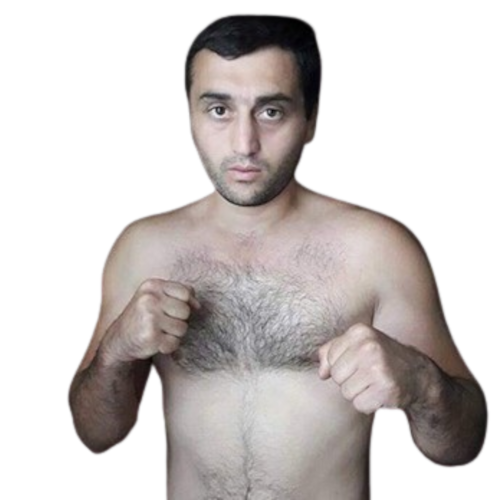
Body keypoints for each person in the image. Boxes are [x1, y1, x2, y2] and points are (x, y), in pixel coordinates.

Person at [67, 13, 489, 500]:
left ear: (312, 119)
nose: (244, 144)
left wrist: (421, 383)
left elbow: (462, 447)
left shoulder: (378, 250)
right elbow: (95, 437)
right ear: (189, 115)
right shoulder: (142, 248)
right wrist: (117, 351)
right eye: (219, 110)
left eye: (271, 112)